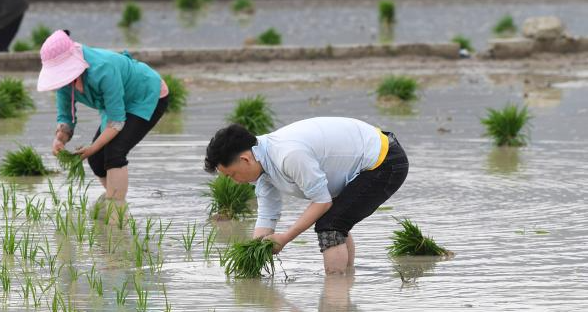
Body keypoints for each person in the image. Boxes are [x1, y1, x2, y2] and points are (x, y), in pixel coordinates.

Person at [204, 118, 408, 275]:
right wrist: (254, 253)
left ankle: (336, 298)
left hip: (384, 160)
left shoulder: (288, 154)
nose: (235, 181)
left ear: (245, 159)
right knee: (337, 219)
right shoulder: (262, 163)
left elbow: (322, 201)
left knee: (330, 224)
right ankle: (344, 283)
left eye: (232, 174)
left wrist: (285, 238)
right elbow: (267, 214)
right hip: (368, 158)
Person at [38, 30, 169, 215]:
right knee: (96, 159)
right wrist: (60, 139)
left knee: (114, 151)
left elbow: (116, 122)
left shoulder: (102, 70)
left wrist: (92, 147)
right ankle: (114, 202)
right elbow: (66, 117)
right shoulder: (63, 83)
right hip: (117, 104)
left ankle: (117, 211)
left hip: (146, 95)